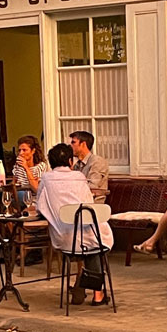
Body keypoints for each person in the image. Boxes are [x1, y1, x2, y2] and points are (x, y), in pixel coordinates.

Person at [37, 143, 113, 306]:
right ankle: (97, 293)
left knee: (85, 243)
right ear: (70, 161)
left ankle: (83, 286)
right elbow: (88, 203)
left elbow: (41, 205)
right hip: (88, 234)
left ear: (50, 163)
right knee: (94, 243)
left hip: (64, 239)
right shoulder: (79, 177)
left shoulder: (46, 179)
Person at [69, 130, 109, 202]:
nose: (70, 145)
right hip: (78, 203)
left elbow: (92, 187)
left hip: (93, 206)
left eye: (73, 142)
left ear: (83, 144)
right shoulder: (77, 165)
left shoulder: (97, 162)